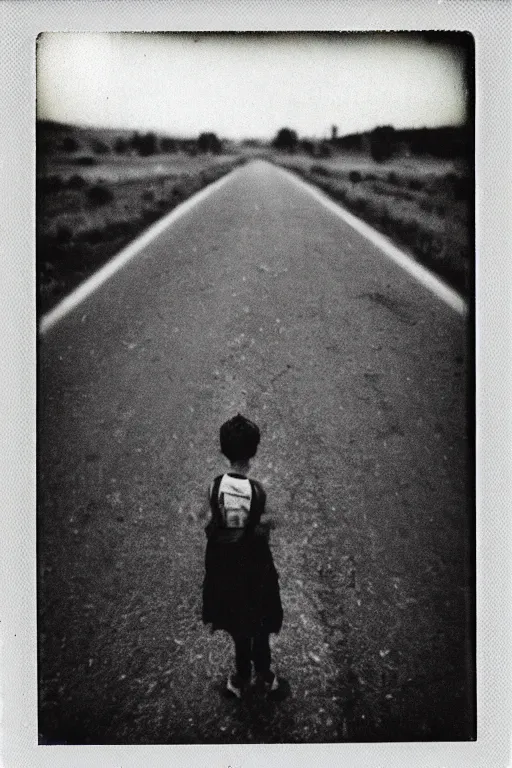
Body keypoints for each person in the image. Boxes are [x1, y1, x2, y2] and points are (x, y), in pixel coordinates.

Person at [202, 414, 284, 699]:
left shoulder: (215, 487)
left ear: (223, 450)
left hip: (226, 569)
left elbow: (209, 519)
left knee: (238, 626)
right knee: (260, 625)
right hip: (255, 569)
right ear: (254, 451)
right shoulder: (258, 491)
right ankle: (265, 676)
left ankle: (239, 678)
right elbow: (267, 523)